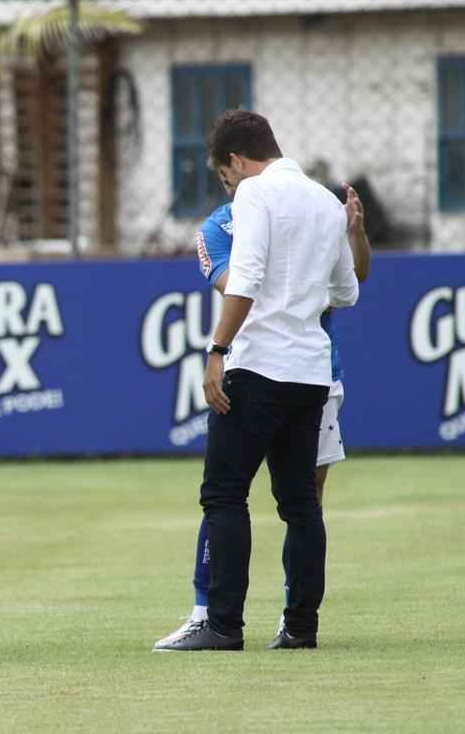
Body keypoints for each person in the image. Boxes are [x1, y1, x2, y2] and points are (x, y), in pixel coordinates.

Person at [155, 110, 359, 652]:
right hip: (311, 372)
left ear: (236, 160)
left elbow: (242, 278)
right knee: (301, 506)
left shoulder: (253, 194)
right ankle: (300, 627)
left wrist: (217, 349)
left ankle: (222, 624)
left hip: (257, 366)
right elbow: (347, 292)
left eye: (228, 174)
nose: (231, 184)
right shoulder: (323, 201)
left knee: (224, 496)